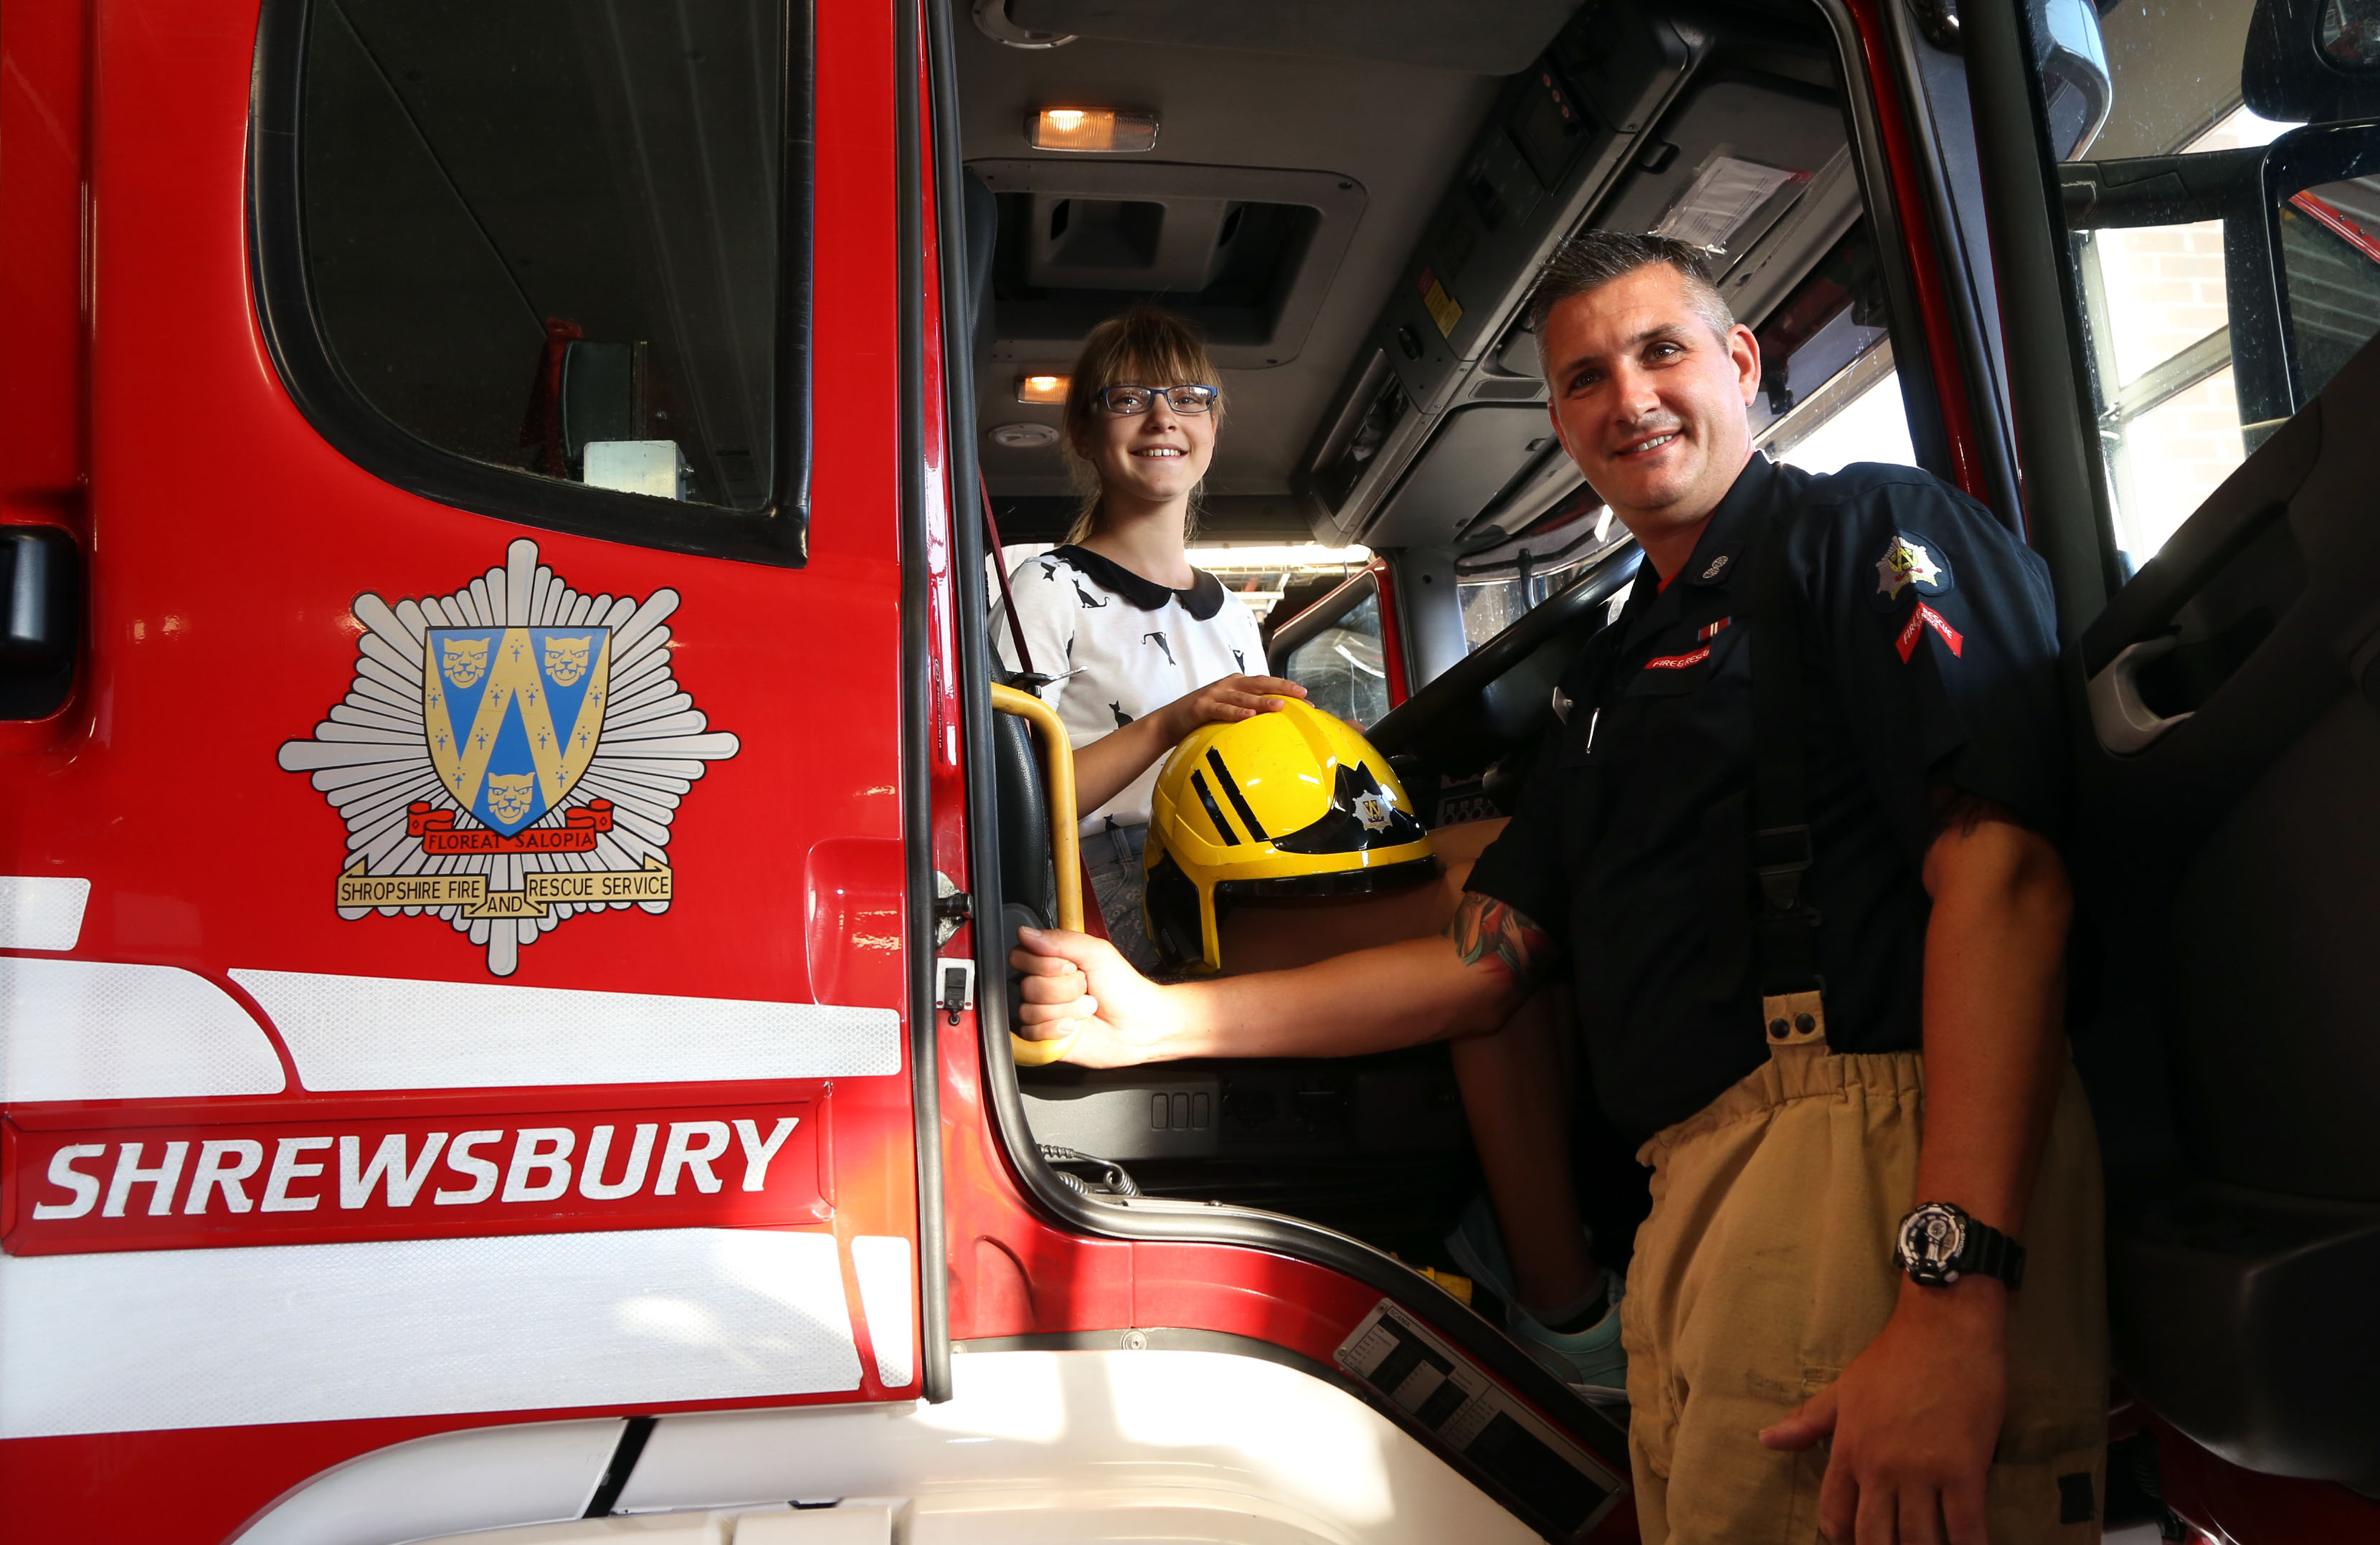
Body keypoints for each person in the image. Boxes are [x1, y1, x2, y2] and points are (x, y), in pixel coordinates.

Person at [1009, 233, 2108, 1544]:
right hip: (1695, 1195)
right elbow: (1484, 963)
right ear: (1561, 420)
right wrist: (1154, 1018)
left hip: (1860, 1160)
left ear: (1738, 361)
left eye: (1660, 352)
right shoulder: (1609, 673)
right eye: (1585, 378)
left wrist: (1951, 1289)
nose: (1627, 398)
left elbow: (2003, 879)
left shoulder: (1861, 527)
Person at [992, 308, 1310, 974]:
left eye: (1188, 398)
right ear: (1083, 433)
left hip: (1234, 861)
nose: (1162, 418)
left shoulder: (1232, 613)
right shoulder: (1048, 586)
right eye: (1129, 398)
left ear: (1212, 428)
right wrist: (1173, 720)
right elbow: (1008, 807)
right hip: (1102, 880)